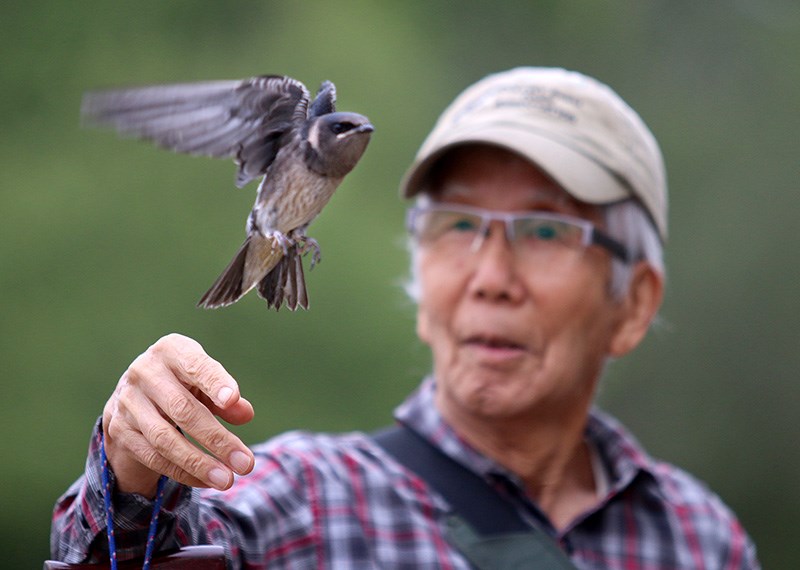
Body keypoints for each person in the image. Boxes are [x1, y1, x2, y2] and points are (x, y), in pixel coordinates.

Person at [51, 67, 760, 568]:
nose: (490, 277)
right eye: (457, 224)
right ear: (420, 281)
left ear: (632, 305)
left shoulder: (700, 542)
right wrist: (131, 471)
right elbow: (142, 553)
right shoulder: (305, 500)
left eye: (545, 231)